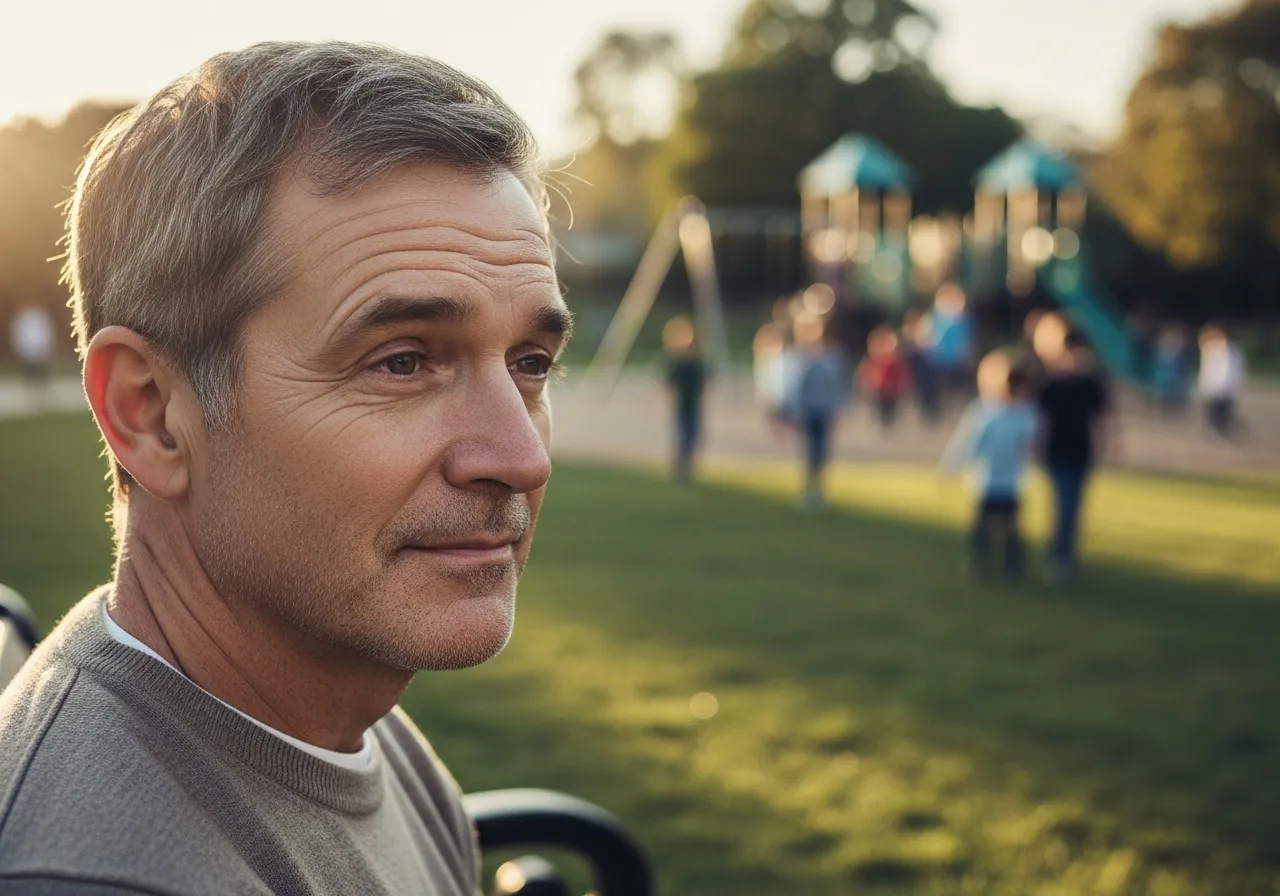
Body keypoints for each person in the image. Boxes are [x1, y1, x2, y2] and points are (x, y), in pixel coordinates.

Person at [0, 43, 572, 895]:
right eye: (403, 362)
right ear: (149, 414)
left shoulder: (336, 718)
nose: (520, 457)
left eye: (529, 362)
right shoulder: (97, 876)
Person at [940, 352, 1038, 581]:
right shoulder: (985, 413)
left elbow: (1033, 444)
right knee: (982, 527)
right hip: (987, 481)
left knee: (1011, 527)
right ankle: (979, 563)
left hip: (1012, 481)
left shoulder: (1026, 415)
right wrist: (951, 466)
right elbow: (967, 443)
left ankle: (1012, 567)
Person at [1034, 314, 1112, 583]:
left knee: (1072, 504)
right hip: (1056, 451)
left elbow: (1100, 419)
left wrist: (1103, 448)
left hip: (1080, 451)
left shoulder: (1091, 381)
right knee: (1064, 503)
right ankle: (1061, 555)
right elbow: (1041, 420)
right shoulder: (1050, 382)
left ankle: (1063, 551)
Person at [786, 313, 847, 510]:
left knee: (823, 451)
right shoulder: (802, 357)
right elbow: (797, 388)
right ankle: (809, 489)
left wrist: (837, 410)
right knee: (810, 451)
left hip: (825, 411)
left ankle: (819, 490)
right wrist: (796, 413)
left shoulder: (833, 355)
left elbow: (838, 386)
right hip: (809, 411)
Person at [663, 315, 709, 483]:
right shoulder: (678, 363)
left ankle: (689, 470)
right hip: (683, 405)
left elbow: (705, 381)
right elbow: (669, 383)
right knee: (683, 436)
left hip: (694, 405)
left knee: (693, 437)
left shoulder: (696, 362)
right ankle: (679, 470)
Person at [923, 281, 974, 408]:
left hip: (958, 361)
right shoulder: (933, 318)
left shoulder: (964, 319)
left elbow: (968, 340)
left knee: (959, 389)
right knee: (938, 388)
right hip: (938, 360)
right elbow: (925, 337)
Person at [1197, 323, 1247, 440]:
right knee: (1213, 414)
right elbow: (1207, 370)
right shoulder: (1210, 349)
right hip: (1213, 388)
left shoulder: (1232, 351)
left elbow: (1233, 371)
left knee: (1223, 413)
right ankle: (1225, 431)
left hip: (1225, 388)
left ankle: (1230, 431)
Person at [858, 324, 910, 433]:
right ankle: (884, 424)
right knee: (881, 407)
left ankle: (888, 423)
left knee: (890, 407)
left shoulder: (895, 359)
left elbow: (900, 374)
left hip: (891, 389)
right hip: (879, 388)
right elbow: (866, 371)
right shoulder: (874, 357)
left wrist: (901, 386)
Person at [900, 309, 940, 424]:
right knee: (921, 395)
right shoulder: (907, 340)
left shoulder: (927, 336)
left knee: (930, 394)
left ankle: (932, 415)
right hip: (917, 374)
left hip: (928, 372)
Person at [1151, 322, 1194, 415]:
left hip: (1175, 376)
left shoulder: (1179, 350)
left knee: (1175, 392)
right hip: (1168, 376)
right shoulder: (1164, 348)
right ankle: (1167, 409)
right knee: (1166, 393)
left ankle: (1174, 409)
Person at [8, 304, 56, 386]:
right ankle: (31, 386)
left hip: (38, 349)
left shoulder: (39, 319)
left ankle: (41, 386)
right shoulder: (25, 319)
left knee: (40, 371)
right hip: (30, 349)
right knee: (29, 371)